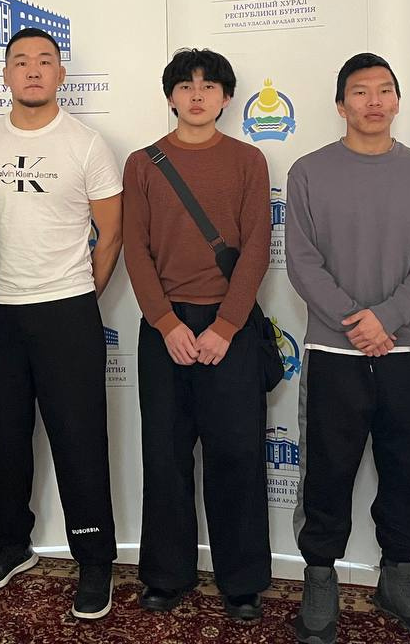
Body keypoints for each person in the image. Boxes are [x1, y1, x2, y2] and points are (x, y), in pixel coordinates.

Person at [286, 53, 410, 644]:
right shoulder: (308, 172)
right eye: (360, 91)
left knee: (407, 468)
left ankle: (399, 576)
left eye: (385, 90)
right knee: (328, 469)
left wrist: (387, 318)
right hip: (334, 352)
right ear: (341, 105)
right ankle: (320, 576)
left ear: (398, 101)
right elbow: (302, 261)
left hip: (408, 351)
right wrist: (356, 323)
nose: (374, 101)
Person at [0, 27, 124, 620]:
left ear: (60, 74)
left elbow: (111, 233)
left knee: (80, 438)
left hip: (67, 312)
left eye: (45, 61)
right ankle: (12, 545)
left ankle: (95, 557)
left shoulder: (87, 144)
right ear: (6, 74)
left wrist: (79, 294)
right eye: (21, 61)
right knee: (5, 437)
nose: (33, 70)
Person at [121, 48, 271, 621]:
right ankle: (166, 575)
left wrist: (226, 326)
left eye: (209, 86)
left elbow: (256, 248)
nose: (198, 95)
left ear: (227, 98)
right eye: (186, 85)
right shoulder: (143, 164)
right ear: (171, 96)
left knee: (237, 455)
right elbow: (136, 249)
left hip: (230, 326)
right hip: (166, 327)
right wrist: (165, 323)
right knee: (164, 456)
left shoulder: (248, 160)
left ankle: (242, 580)